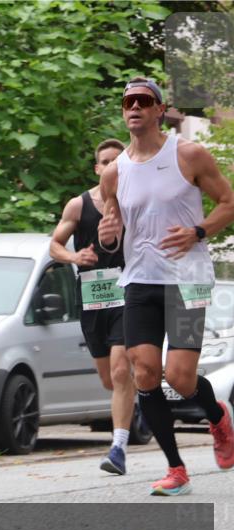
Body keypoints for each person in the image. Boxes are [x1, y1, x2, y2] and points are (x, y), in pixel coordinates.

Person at [98, 77, 234, 495]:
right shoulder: (115, 172)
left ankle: (218, 416)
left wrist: (197, 230)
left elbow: (228, 203)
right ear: (123, 112)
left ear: (159, 109)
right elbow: (112, 234)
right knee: (144, 372)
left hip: (187, 281)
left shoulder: (189, 154)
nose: (134, 107)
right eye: (128, 102)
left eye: (144, 101)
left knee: (180, 378)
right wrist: (107, 234)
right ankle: (176, 470)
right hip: (139, 280)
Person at [51, 138, 137, 475]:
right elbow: (54, 246)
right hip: (92, 298)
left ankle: (117, 448)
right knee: (110, 379)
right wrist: (75, 256)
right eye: (106, 161)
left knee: (119, 371)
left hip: (127, 293)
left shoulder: (134, 203)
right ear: (98, 168)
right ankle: (136, 399)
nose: (112, 166)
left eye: (119, 161)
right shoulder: (78, 205)